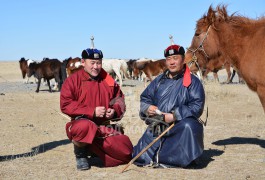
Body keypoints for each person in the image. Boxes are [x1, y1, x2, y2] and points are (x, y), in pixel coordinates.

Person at [60, 40, 133, 170]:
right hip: (81, 124)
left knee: (126, 150)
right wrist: (91, 111)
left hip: (102, 128)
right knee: (84, 126)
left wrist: (114, 111)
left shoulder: (108, 81)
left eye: (98, 63)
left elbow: (119, 100)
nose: (96, 66)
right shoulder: (72, 80)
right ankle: (81, 154)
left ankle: (93, 149)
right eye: (92, 63)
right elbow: (66, 104)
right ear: (83, 63)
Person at [132, 42, 205, 168]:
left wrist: (174, 115)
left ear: (183, 60)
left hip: (180, 125)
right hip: (159, 124)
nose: (171, 62)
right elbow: (145, 99)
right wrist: (147, 109)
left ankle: (183, 157)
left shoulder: (193, 82)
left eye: (175, 58)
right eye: (168, 59)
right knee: (139, 157)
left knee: (190, 126)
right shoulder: (158, 81)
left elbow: (197, 106)